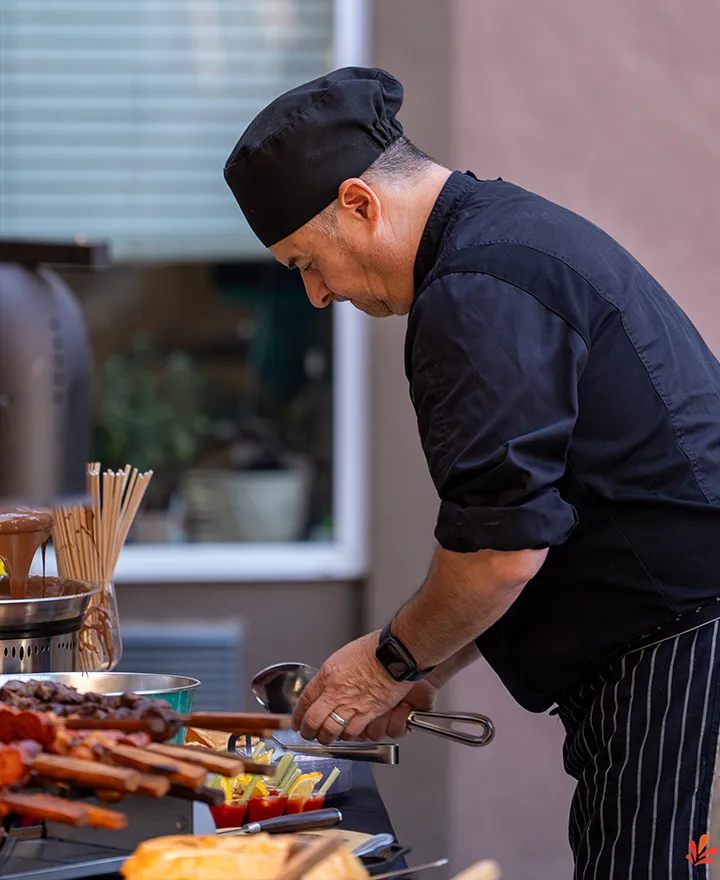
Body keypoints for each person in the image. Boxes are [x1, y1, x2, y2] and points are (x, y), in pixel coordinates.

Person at [224, 67, 720, 879]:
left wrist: (386, 663)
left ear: (359, 203)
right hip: (663, 625)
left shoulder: (476, 290)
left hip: (674, 634)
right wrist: (420, 661)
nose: (315, 294)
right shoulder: (509, 235)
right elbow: (528, 516)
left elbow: (501, 550)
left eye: (306, 263)